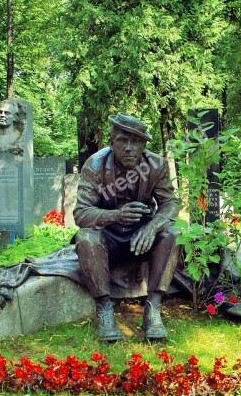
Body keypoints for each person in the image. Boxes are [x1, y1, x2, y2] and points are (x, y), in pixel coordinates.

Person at [73, 113, 181, 342]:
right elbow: (81, 213)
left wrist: (153, 227)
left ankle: (153, 308)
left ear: (144, 145)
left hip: (142, 236)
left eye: (136, 142)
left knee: (172, 233)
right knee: (85, 238)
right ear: (111, 143)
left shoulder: (156, 165)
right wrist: (116, 215)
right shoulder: (94, 165)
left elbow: (170, 203)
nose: (129, 148)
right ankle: (104, 309)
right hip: (107, 235)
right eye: (123, 141)